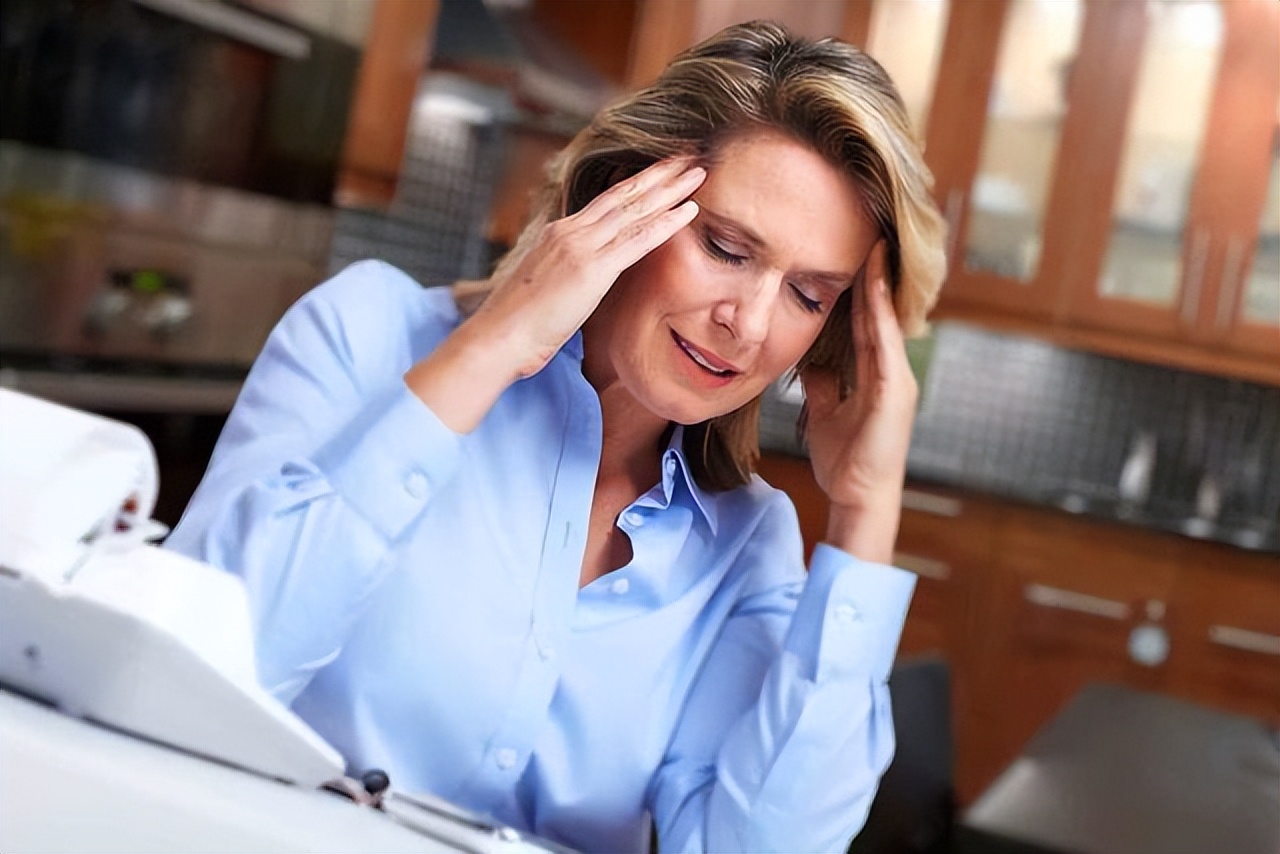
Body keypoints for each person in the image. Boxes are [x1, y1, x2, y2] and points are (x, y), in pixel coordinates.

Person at [166, 19, 946, 854]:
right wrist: (492, 347)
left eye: (808, 296)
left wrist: (866, 514)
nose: (749, 324)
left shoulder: (747, 545)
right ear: (620, 194)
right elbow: (190, 678)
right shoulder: (366, 336)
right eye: (725, 247)